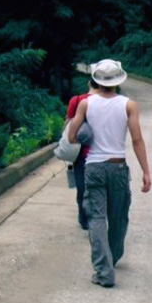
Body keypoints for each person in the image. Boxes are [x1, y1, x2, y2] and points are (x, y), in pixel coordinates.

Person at [69, 59, 151, 288]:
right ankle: (112, 258)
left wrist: (86, 135)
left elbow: (71, 136)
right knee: (118, 217)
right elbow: (136, 140)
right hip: (118, 167)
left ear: (96, 79)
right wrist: (146, 172)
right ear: (119, 80)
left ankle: (104, 271)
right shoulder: (129, 105)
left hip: (93, 166)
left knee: (96, 217)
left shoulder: (86, 104)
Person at [65, 79, 99, 230]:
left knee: (82, 187)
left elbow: (68, 125)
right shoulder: (108, 102)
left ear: (88, 83)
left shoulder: (77, 100)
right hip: (101, 152)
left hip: (81, 152)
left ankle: (84, 217)